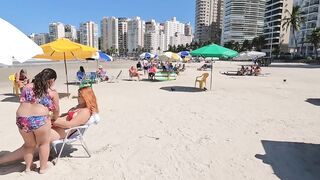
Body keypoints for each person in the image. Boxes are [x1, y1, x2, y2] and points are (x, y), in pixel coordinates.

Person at [0, 87, 98, 168]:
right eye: (78, 95)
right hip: (58, 127)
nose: (78, 97)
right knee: (30, 142)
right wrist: (52, 118)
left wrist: (51, 119)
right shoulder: (78, 107)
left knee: (31, 143)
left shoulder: (85, 111)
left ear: (87, 97)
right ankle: (9, 158)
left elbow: (70, 125)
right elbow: (64, 117)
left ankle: (4, 160)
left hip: (65, 131)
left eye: (80, 96)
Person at [16, 68, 60, 173]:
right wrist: (54, 118)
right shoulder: (52, 92)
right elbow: (56, 110)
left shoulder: (27, 87)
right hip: (39, 119)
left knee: (29, 145)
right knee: (43, 144)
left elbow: (23, 101)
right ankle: (43, 168)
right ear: (52, 80)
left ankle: (28, 167)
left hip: (22, 119)